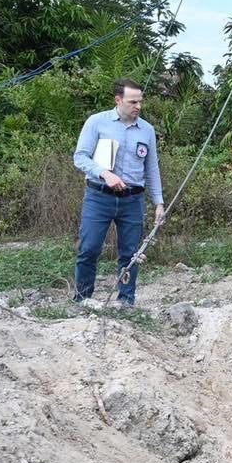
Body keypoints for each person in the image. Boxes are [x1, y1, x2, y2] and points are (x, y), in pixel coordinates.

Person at [71, 78, 165, 307]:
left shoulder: (147, 130)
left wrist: (159, 203)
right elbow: (80, 157)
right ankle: (83, 299)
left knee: (131, 255)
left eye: (140, 101)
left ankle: (126, 302)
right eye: (133, 101)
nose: (138, 106)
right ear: (118, 100)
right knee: (89, 249)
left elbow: (152, 168)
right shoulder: (97, 122)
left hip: (133, 200)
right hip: (99, 196)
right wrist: (105, 173)